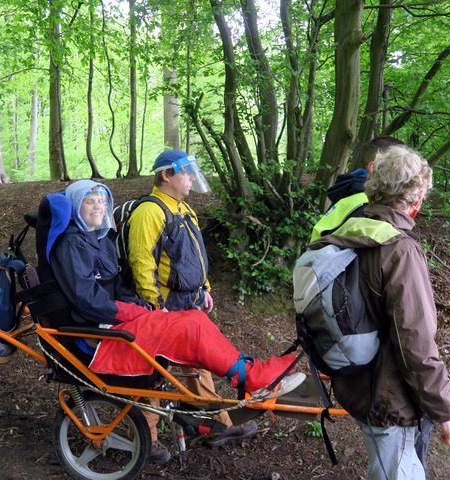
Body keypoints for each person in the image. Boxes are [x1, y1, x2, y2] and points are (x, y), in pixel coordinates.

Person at [45, 180, 305, 426]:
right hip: (97, 333)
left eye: (102, 200)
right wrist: (134, 309)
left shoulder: (99, 241)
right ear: (75, 206)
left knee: (195, 319)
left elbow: (118, 287)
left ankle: (251, 372)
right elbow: (88, 300)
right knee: (190, 328)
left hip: (115, 320)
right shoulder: (70, 244)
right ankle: (254, 377)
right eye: (90, 202)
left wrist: (140, 305)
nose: (100, 207)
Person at [312, 145, 450, 479]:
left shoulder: (351, 229)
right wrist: (446, 412)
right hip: (390, 398)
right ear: (416, 198)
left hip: (357, 382)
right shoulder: (399, 250)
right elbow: (416, 344)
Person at [126, 150, 252, 462]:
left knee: (198, 363)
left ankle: (216, 423)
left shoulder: (184, 210)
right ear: (167, 175)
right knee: (156, 372)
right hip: (166, 308)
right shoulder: (149, 212)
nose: (193, 178)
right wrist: (155, 308)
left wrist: (205, 288)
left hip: (190, 303)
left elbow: (195, 257)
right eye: (187, 173)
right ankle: (144, 436)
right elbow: (141, 263)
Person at [311, 136, 405, 241]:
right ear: (373, 167)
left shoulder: (350, 192)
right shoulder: (366, 203)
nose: (403, 176)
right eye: (397, 168)